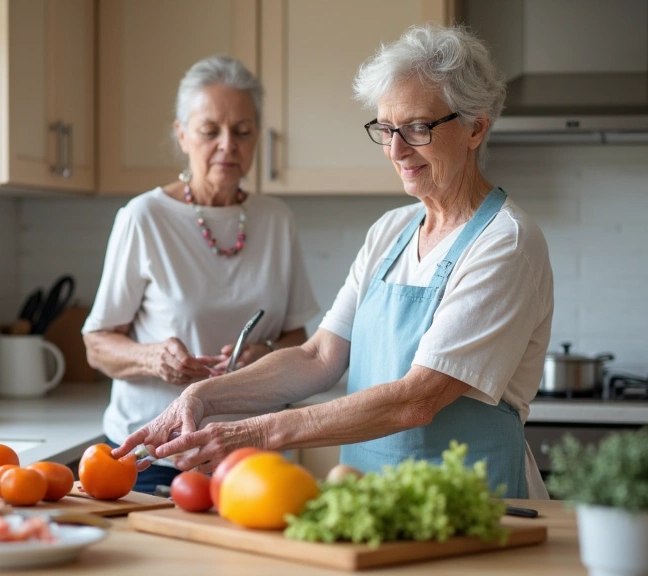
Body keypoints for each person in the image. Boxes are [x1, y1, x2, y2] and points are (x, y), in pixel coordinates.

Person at [113, 25, 554, 499]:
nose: (396, 150)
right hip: (365, 503)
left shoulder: (504, 244)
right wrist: (201, 397)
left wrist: (253, 433)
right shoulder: (391, 231)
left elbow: (416, 400)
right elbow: (318, 356)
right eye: (386, 129)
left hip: (468, 510)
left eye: (418, 127)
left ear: (475, 127)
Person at [82, 55, 320, 495]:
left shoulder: (276, 219)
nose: (228, 144)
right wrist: (152, 358)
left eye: (243, 131)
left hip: (252, 454)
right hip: (154, 454)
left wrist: (264, 352)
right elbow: (97, 345)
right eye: (210, 131)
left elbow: (298, 339)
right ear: (182, 134)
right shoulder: (144, 217)